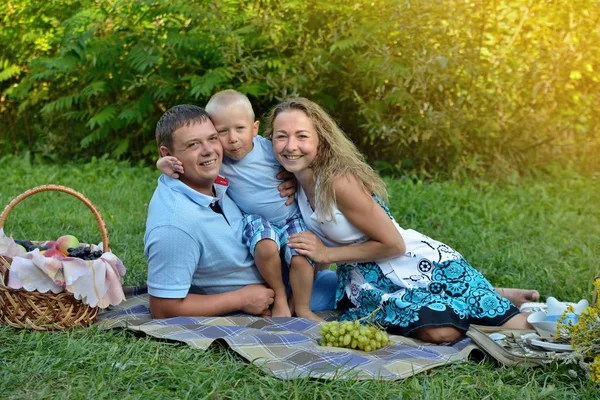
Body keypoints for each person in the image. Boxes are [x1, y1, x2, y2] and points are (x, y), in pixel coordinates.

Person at [268, 97, 539, 344]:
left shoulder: (339, 182)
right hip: (369, 282)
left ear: (320, 140)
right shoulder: (297, 180)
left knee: (520, 327)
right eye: (282, 137)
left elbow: (394, 245)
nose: (291, 146)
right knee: (441, 332)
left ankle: (491, 295)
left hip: (418, 265)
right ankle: (491, 294)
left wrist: (327, 253)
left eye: (302, 136)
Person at [145, 104, 335, 318]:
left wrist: (291, 177)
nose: (209, 150)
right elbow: (162, 308)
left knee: (358, 284)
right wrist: (240, 299)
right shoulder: (174, 224)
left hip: (297, 278)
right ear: (167, 154)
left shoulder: (213, 179)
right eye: (193, 144)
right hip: (272, 300)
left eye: (212, 138)